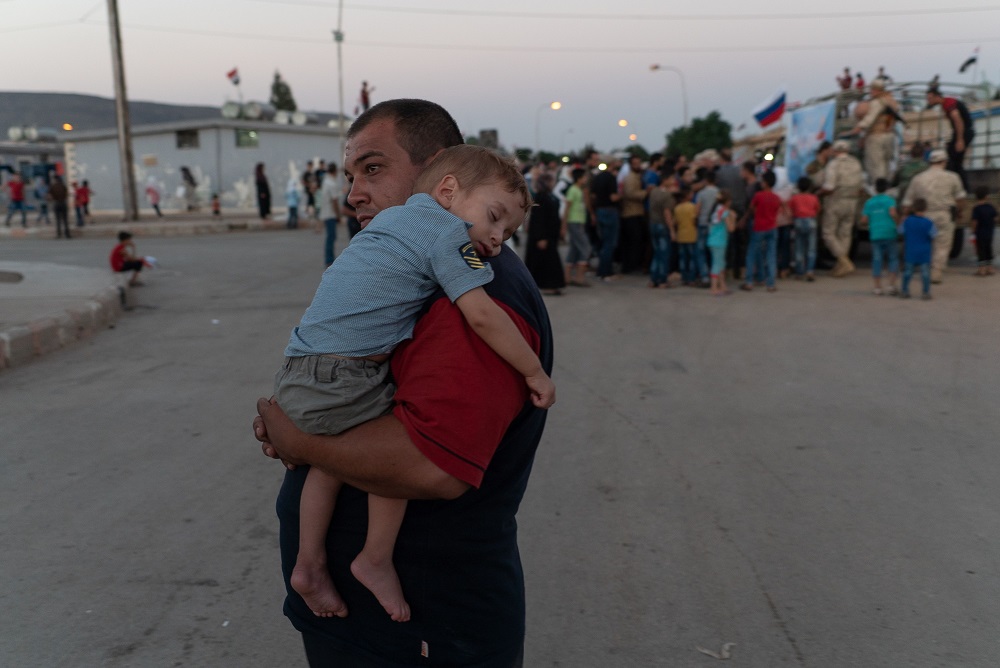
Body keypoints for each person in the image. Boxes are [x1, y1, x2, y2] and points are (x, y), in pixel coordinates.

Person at [254, 99, 553, 667]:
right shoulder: (416, 268)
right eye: (349, 176)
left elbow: (429, 465)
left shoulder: (480, 290)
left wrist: (298, 439)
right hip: (376, 628)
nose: (353, 194)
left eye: (372, 169)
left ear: (439, 174)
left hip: (420, 629)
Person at [901, 148, 965, 283]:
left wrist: (904, 216)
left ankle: (923, 268)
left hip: (923, 214)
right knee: (942, 244)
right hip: (944, 214)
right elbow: (960, 198)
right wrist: (959, 211)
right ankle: (936, 272)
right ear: (944, 161)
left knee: (924, 242)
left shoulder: (918, 178)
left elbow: (907, 201)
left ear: (929, 162)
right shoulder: (953, 177)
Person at [820, 140, 864, 277]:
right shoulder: (856, 163)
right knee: (845, 234)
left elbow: (829, 187)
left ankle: (843, 261)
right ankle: (840, 267)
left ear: (835, 151)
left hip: (836, 201)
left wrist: (818, 193)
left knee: (828, 233)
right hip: (852, 202)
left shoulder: (834, 164)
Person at [849, 78, 900, 182]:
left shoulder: (877, 102)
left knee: (875, 165)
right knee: (887, 164)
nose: (870, 92)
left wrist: (859, 128)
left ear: (876, 90)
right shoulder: (892, 101)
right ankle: (886, 185)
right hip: (890, 136)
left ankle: (879, 189)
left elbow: (870, 118)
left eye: (872, 90)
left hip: (876, 137)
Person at [741, 170, 784, 292]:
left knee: (751, 253)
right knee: (771, 255)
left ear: (765, 183)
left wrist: (745, 220)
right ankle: (771, 284)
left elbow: (751, 209)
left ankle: (749, 282)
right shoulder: (777, 198)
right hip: (772, 227)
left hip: (759, 227)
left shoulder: (758, 195)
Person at [524, 172, 566, 295]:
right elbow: (538, 219)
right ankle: (544, 285)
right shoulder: (541, 197)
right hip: (543, 236)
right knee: (544, 262)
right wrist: (541, 237)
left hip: (549, 235)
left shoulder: (547, 196)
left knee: (548, 261)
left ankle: (549, 285)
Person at [926, 84, 974, 188]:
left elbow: (958, 121)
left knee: (955, 161)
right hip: (962, 132)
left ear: (936, 97)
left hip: (964, 132)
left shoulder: (948, 103)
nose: (928, 101)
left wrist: (960, 140)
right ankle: (960, 187)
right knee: (953, 159)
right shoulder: (945, 104)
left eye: (930, 98)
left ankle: (963, 188)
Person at [861, 178, 900, 295]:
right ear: (887, 189)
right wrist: (897, 222)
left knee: (877, 259)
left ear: (875, 189)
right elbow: (893, 213)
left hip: (875, 233)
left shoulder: (869, 202)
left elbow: (864, 220)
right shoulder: (890, 200)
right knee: (893, 258)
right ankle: (891, 285)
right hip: (889, 232)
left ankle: (877, 287)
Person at [898, 197, 937, 299]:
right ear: (925, 209)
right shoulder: (929, 222)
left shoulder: (907, 221)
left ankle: (905, 291)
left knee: (908, 272)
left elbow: (900, 231)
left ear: (914, 208)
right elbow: (933, 235)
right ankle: (925, 292)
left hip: (910, 250)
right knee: (925, 273)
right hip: (924, 251)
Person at [591, 159, 621, 282]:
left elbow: (593, 196)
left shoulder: (597, 177)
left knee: (603, 242)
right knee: (610, 243)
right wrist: (622, 195)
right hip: (610, 211)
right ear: (612, 164)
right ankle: (606, 272)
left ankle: (601, 270)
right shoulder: (611, 178)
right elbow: (613, 197)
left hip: (599, 211)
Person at [562, 167, 592, 287]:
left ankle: (567, 277)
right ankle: (579, 278)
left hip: (578, 222)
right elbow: (567, 209)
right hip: (574, 222)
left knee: (574, 249)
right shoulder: (573, 190)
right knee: (585, 248)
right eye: (584, 177)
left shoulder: (580, 190)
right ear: (579, 178)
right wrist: (563, 226)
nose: (586, 179)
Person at [647, 169, 675, 289]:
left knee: (656, 252)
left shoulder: (653, 192)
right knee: (664, 253)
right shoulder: (666, 195)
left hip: (653, 223)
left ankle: (653, 278)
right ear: (666, 180)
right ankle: (663, 279)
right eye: (671, 179)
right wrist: (672, 230)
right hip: (663, 225)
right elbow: (667, 213)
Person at [789, 176, 820, 281]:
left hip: (798, 221)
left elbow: (791, 209)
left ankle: (799, 272)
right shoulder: (814, 197)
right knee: (811, 249)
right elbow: (818, 209)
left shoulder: (795, 198)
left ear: (798, 186)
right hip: (811, 221)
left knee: (799, 248)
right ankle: (810, 271)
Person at [707, 190, 736, 295]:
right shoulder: (724, 212)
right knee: (717, 264)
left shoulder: (716, 210)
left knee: (720, 264)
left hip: (713, 240)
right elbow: (731, 228)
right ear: (727, 201)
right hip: (719, 241)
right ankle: (714, 288)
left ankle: (723, 286)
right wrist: (733, 217)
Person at [694, 169, 720, 286]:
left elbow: (697, 210)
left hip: (703, 224)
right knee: (714, 252)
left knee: (700, 251)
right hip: (715, 226)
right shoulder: (719, 193)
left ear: (705, 180)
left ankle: (705, 276)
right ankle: (715, 275)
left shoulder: (701, 193)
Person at [319, 162, 342, 267]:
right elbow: (335, 201)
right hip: (331, 214)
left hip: (326, 213)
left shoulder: (326, 182)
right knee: (331, 237)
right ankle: (329, 259)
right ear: (335, 171)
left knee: (330, 236)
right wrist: (338, 215)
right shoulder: (332, 184)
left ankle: (329, 258)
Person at [970, 186, 997, 276]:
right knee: (988, 249)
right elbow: (996, 218)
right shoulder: (991, 207)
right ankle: (990, 268)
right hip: (989, 233)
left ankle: (981, 269)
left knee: (980, 251)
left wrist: (973, 231)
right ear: (987, 196)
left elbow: (975, 221)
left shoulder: (976, 208)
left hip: (980, 233)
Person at [674, 187, 697, 285]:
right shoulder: (692, 207)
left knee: (683, 258)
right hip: (691, 235)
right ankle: (691, 278)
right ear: (687, 196)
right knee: (692, 257)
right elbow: (694, 220)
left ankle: (684, 277)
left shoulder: (677, 208)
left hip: (681, 235)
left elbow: (675, 221)